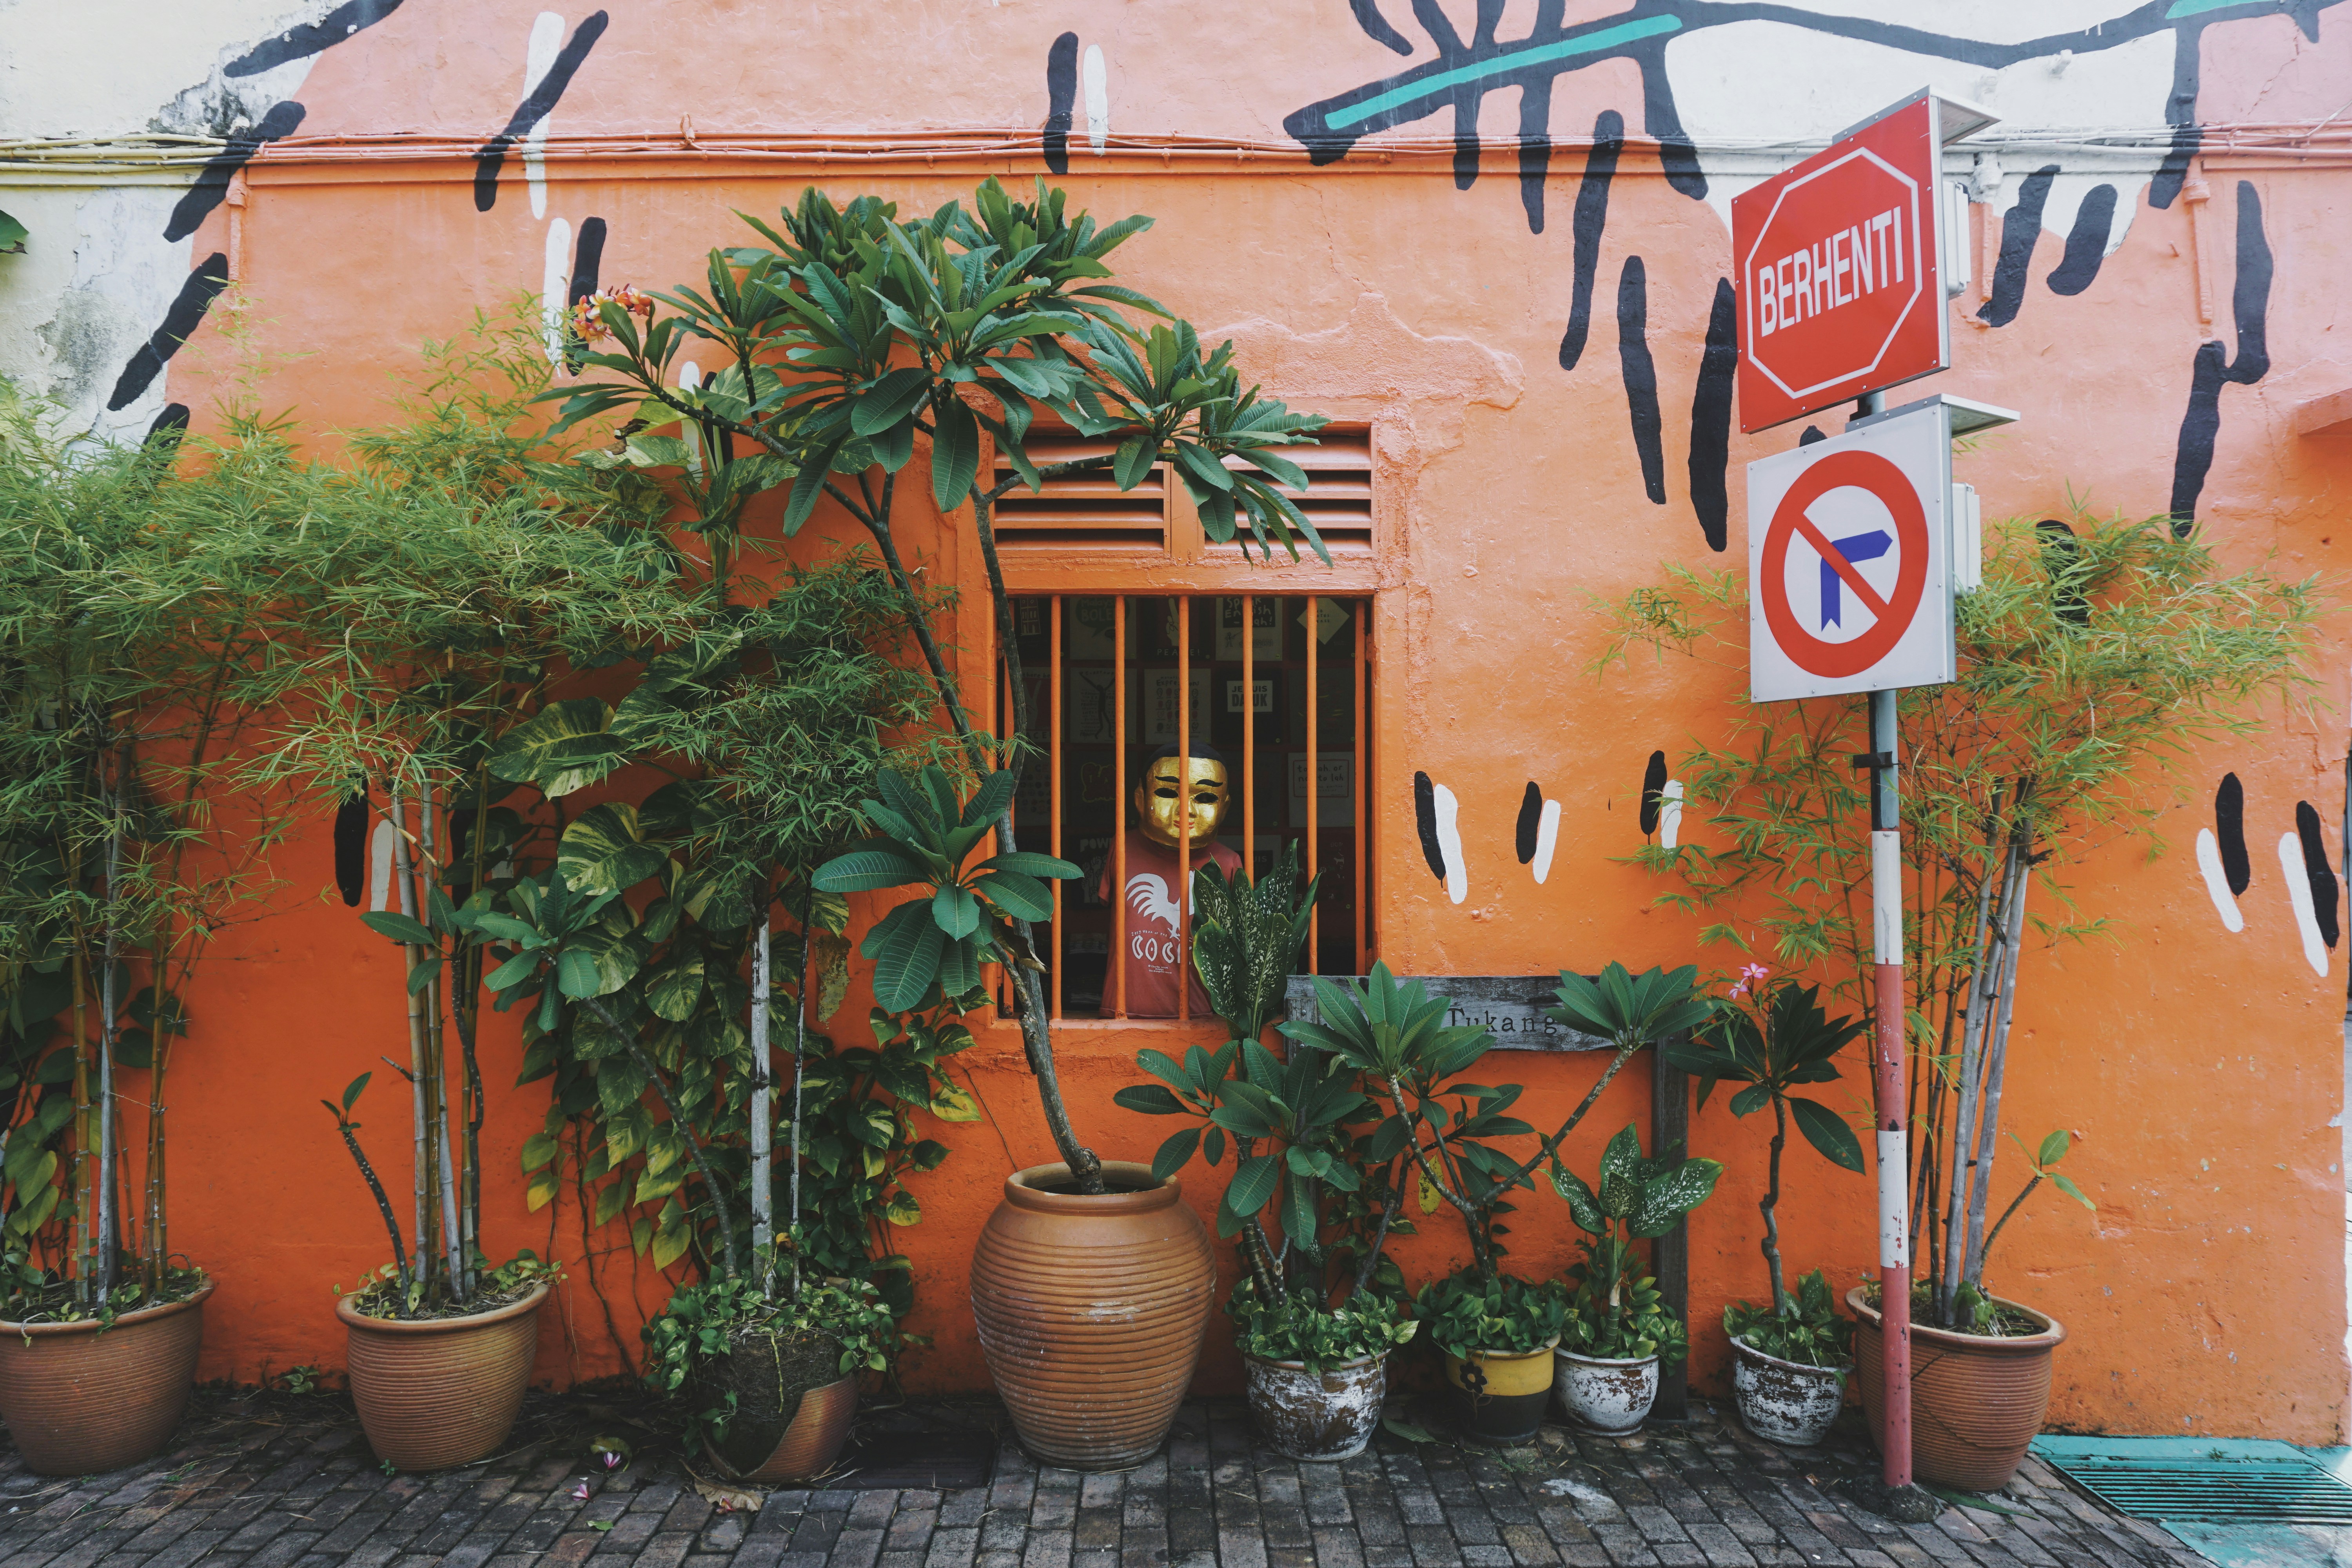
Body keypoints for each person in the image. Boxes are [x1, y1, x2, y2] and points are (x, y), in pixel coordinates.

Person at [1096, 742, 1241, 1018]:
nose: (1185, 811)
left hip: (1198, 1013)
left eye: (1206, 797)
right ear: (1140, 798)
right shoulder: (1123, 847)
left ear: (1225, 806)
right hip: (1124, 1008)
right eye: (1167, 793)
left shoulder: (1228, 863)